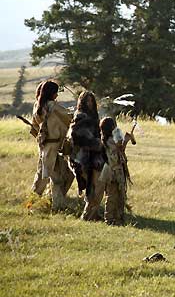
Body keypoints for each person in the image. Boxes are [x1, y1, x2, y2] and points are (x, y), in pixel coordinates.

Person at [30, 80, 74, 210]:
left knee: (41, 175)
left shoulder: (37, 105)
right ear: (52, 93)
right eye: (56, 92)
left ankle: (33, 201)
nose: (57, 95)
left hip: (43, 146)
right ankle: (55, 205)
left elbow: (34, 128)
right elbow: (69, 118)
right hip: (55, 147)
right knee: (57, 176)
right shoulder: (53, 106)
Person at [68, 91, 105, 221]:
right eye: (87, 101)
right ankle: (87, 215)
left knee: (96, 186)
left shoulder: (93, 116)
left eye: (91, 101)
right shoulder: (80, 116)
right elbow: (76, 136)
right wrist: (96, 143)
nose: (89, 103)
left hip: (94, 157)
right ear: (82, 102)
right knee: (93, 186)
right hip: (82, 158)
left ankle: (92, 213)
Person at [98, 117, 135, 225]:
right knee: (113, 195)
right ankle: (110, 218)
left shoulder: (107, 139)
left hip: (115, 168)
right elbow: (120, 149)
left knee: (117, 195)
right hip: (113, 170)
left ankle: (117, 218)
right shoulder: (109, 140)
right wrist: (127, 140)